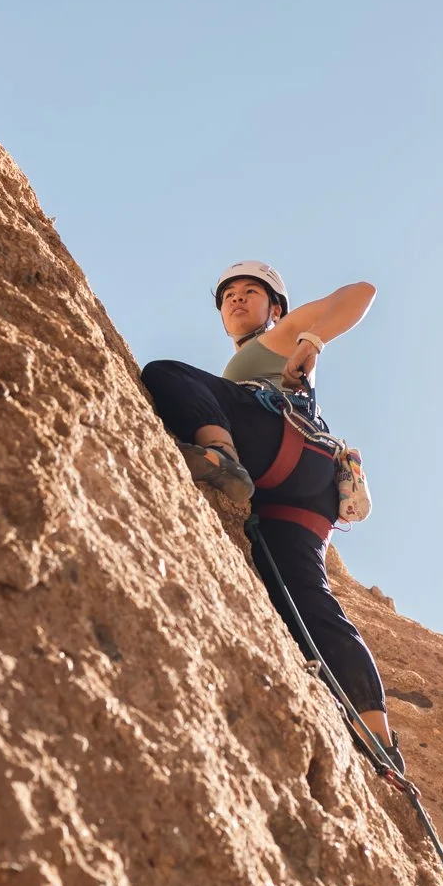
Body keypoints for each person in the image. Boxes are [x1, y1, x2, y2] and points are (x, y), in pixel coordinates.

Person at [141, 261, 403, 771]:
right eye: (228, 296)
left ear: (274, 307)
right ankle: (380, 743)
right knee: (302, 599)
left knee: (164, 373)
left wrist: (310, 341)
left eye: (250, 292)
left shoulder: (280, 336)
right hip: (306, 492)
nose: (237, 300)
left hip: (277, 445)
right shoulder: (257, 354)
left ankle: (220, 455)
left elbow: (361, 292)